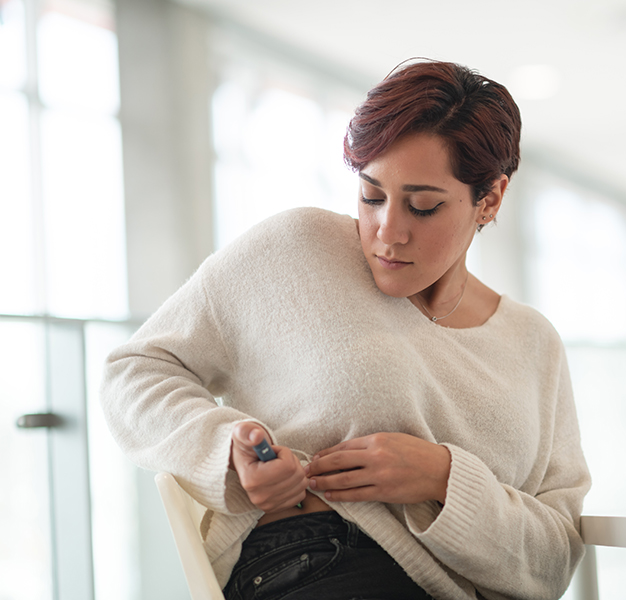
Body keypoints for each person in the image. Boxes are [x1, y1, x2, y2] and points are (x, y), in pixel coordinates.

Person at [101, 60, 590, 600]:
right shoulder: (297, 250)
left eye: (423, 207)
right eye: (372, 196)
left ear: (490, 200)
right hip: (315, 563)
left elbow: (553, 561)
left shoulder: (533, 343)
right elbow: (134, 371)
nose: (387, 233)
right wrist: (227, 452)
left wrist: (443, 478)